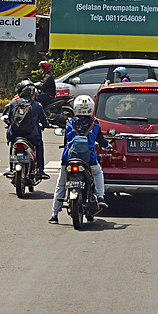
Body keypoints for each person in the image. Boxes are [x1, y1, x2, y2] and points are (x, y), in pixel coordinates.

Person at [49, 95, 110, 224]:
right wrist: (107, 146)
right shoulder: (95, 124)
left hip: (69, 159)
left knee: (61, 185)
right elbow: (102, 141)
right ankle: (100, 197)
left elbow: (66, 141)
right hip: (89, 160)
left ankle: (54, 214)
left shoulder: (69, 124)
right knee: (98, 173)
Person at [5, 80, 50, 178]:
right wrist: (47, 125)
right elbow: (44, 121)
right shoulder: (37, 105)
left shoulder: (13, 103)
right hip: (32, 136)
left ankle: (11, 168)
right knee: (39, 145)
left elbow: (9, 119)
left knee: (13, 145)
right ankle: (40, 170)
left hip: (15, 135)